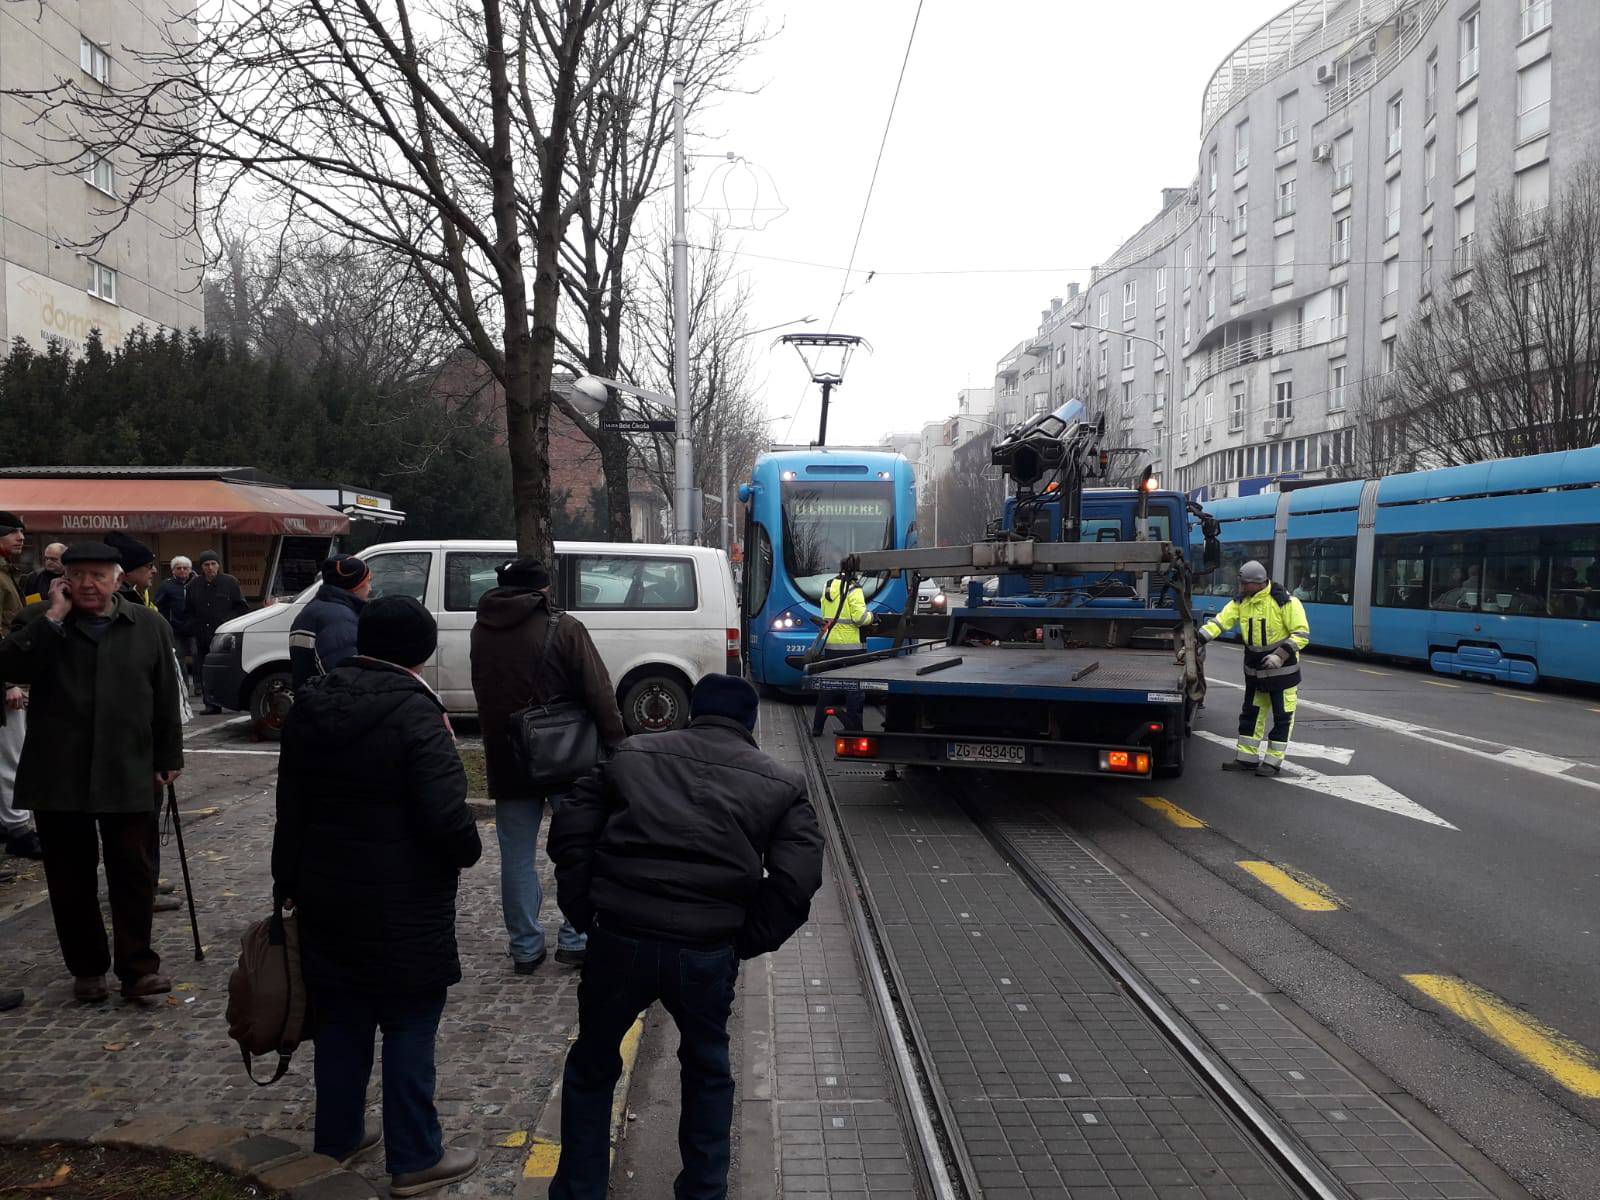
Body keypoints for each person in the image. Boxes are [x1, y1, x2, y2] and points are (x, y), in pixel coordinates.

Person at [547, 674, 822, 1200]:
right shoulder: (781, 782)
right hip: (706, 948)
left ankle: (580, 1189)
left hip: (620, 935)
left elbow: (571, 826)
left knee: (593, 1063)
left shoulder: (631, 754)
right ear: (750, 723)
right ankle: (702, 1189)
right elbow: (797, 878)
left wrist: (585, 907)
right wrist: (744, 938)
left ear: (692, 710)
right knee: (707, 1070)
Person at [272, 595, 482, 1197]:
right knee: (410, 1021)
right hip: (405, 899)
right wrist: (466, 850)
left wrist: (287, 884)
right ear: (423, 650)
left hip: (325, 894)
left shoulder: (312, 703)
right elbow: (447, 816)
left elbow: (291, 809)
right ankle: (415, 1156)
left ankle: (336, 1138)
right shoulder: (417, 713)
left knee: (341, 1018)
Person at [0, 543, 183, 1002]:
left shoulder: (148, 626)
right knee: (69, 876)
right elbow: (11, 665)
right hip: (58, 773)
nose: (87, 584)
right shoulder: (39, 621)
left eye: (98, 575)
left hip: (128, 767)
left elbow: (164, 696)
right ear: (62, 579)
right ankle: (87, 968)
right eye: (77, 574)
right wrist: (54, 619)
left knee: (133, 871)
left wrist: (168, 758)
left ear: (118, 579)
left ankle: (138, 969)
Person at [470, 557, 624, 972]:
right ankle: (575, 939)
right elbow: (599, 690)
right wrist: (615, 742)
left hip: (507, 756)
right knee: (576, 848)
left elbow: (483, 690)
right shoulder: (565, 627)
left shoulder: (482, 629)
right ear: (543, 589)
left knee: (515, 856)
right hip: (566, 755)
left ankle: (524, 946)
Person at [1198, 559, 1311, 777]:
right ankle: (1247, 758)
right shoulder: (1242, 601)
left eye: (1245, 584)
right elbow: (1220, 623)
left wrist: (1279, 656)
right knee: (1251, 714)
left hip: (1283, 672)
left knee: (1282, 716)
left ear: (1259, 583)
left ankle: (1272, 762)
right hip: (1255, 672)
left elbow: (1301, 634)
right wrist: (1198, 639)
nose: (1241, 588)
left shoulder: (1285, 602)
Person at [0, 512, 41, 863]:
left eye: (22, 532)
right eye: (13, 532)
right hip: (7, 681)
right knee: (12, 754)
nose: (21, 538)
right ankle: (17, 828)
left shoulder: (8, 573)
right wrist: (10, 682)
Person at [290, 554, 373, 689]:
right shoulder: (338, 618)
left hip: (311, 700)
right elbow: (345, 679)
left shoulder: (315, 609)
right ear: (354, 585)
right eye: (367, 582)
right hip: (331, 704)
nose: (370, 589)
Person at [185, 550, 248, 713]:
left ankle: (230, 701)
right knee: (205, 671)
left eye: (213, 564)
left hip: (224, 636)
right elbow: (189, 610)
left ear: (218, 565)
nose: (210, 568)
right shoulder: (193, 585)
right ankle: (210, 704)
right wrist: (194, 627)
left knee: (225, 669)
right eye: (206, 565)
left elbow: (241, 607)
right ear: (201, 567)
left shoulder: (230, 582)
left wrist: (229, 622)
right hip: (202, 636)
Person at [810, 573, 872, 737]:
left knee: (827, 687)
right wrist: (872, 617)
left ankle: (817, 727)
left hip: (831, 646)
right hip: (853, 648)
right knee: (854, 689)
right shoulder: (854, 588)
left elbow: (825, 614)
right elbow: (860, 618)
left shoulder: (828, 586)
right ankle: (854, 728)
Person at [154, 557, 195, 689]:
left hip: (194, 628)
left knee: (198, 656)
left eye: (185, 568)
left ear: (190, 570)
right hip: (175, 629)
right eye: (178, 568)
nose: (182, 570)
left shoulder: (196, 584)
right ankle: (184, 686)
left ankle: (200, 686)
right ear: (173, 571)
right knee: (179, 658)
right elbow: (157, 605)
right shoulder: (166, 585)